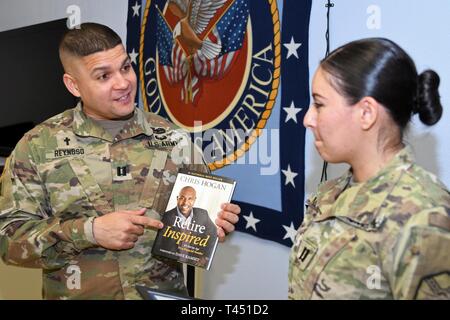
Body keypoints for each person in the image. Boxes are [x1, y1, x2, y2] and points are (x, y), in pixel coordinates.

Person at [0, 22, 240, 300]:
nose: (123, 83)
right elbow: (9, 242)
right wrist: (89, 231)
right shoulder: (38, 146)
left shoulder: (174, 140)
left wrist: (217, 223)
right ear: (73, 85)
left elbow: (200, 222)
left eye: (125, 67)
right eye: (103, 76)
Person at [289, 38, 450, 300]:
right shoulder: (330, 194)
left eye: (319, 104)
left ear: (366, 113)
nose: (308, 119)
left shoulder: (424, 216)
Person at [154, 186, 217, 266]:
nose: (185, 202)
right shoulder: (166, 217)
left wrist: (206, 257)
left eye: (190, 199)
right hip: (169, 266)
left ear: (194, 200)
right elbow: (157, 246)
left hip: (193, 265)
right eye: (182, 198)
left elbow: (214, 235)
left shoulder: (203, 214)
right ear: (177, 198)